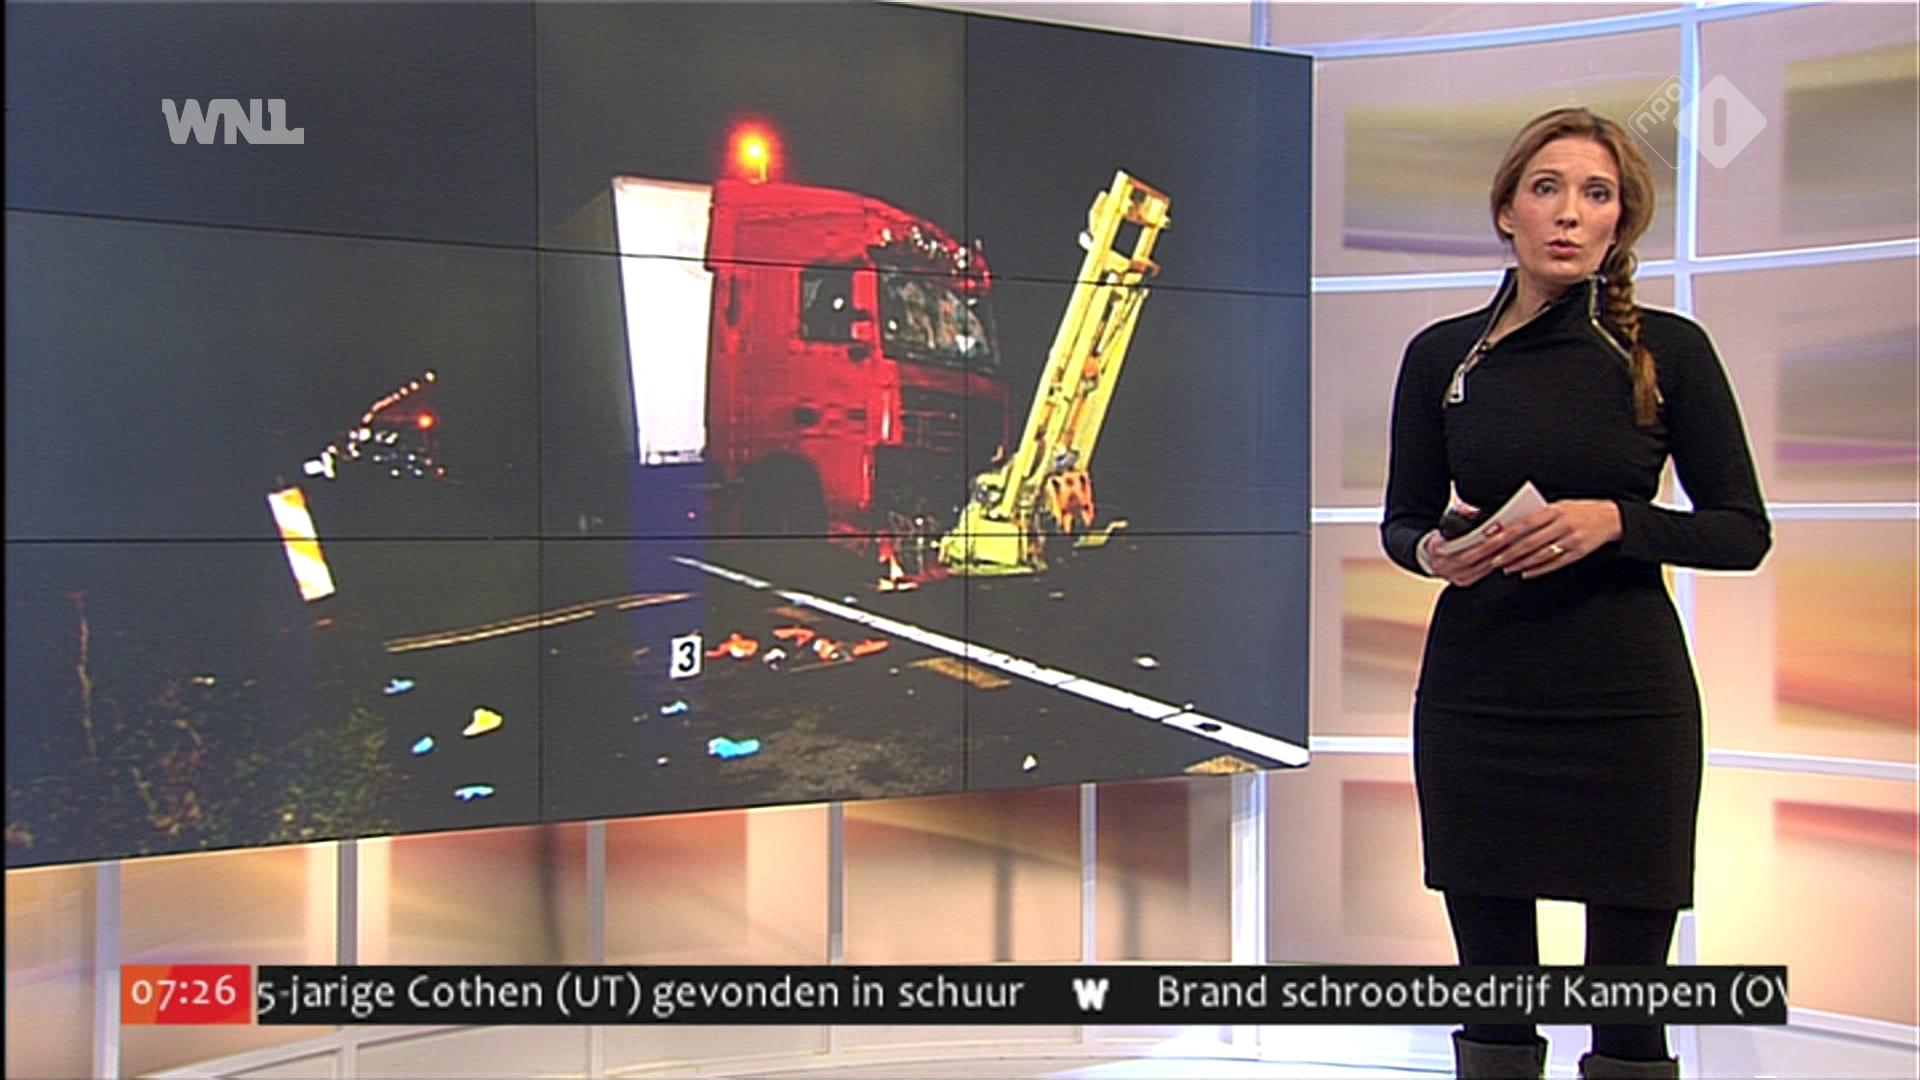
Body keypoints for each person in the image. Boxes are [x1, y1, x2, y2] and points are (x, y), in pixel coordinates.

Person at [1380, 107, 1771, 1080]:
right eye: (1547, 188)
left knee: (1628, 1010)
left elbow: (1742, 531)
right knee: (1497, 1002)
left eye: (1597, 194)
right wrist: (1432, 551)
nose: (1569, 213)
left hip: (1625, 706)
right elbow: (1403, 520)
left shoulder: (1669, 353)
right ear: (1506, 211)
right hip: (1479, 700)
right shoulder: (1442, 356)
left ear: (1619, 221)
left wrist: (1618, 522)